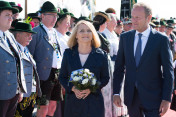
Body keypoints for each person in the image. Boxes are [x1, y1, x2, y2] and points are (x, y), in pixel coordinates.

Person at [113, 3, 174, 117]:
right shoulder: (125, 38)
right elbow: (119, 67)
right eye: (132, 17)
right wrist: (116, 92)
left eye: (138, 17)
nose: (134, 21)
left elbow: (168, 72)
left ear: (149, 18)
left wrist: (167, 99)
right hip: (131, 96)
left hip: (154, 97)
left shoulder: (161, 40)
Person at [59, 20, 110, 117]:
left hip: (94, 103)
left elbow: (105, 78)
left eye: (89, 30)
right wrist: (72, 88)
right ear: (76, 35)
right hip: (73, 104)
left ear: (93, 34)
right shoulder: (68, 54)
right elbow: (62, 76)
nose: (85, 33)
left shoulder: (101, 55)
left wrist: (91, 89)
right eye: (82, 31)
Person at [27, 1, 63, 117]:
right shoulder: (36, 32)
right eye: (51, 15)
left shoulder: (55, 32)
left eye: (56, 16)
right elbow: (30, 55)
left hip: (56, 73)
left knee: (53, 105)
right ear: (42, 16)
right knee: (43, 106)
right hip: (43, 75)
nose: (54, 18)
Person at [0, 1, 27, 117]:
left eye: (12, 16)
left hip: (13, 92)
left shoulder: (10, 36)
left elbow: (18, 61)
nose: (11, 18)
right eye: (7, 15)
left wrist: (20, 88)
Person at [10, 22, 42, 117]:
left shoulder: (25, 49)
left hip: (30, 94)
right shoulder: (12, 50)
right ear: (18, 35)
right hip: (20, 94)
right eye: (27, 35)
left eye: (31, 35)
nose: (31, 38)